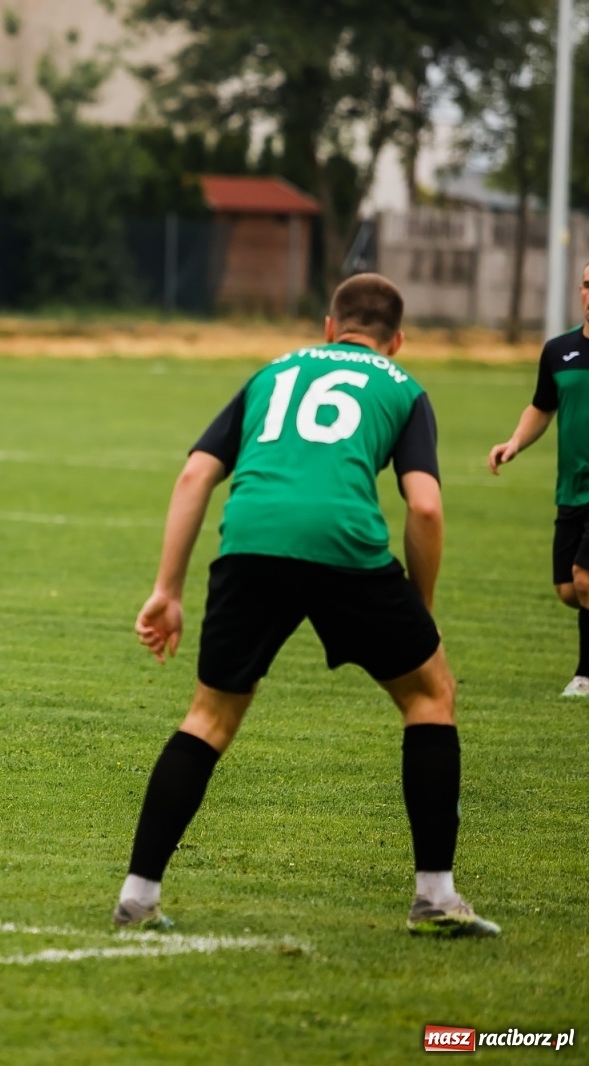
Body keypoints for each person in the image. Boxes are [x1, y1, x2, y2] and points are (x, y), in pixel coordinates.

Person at [116, 273, 499, 938]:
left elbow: (194, 475)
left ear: (329, 326)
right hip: (344, 545)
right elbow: (427, 505)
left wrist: (167, 591)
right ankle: (435, 897)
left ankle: (137, 897)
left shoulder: (271, 373)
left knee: (209, 716)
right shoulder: (403, 388)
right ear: (397, 341)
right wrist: (421, 613)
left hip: (251, 541)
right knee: (429, 693)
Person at [487, 259, 589, 696]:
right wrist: (513, 443)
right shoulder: (558, 350)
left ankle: (585, 675)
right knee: (568, 589)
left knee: (585, 577)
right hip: (573, 487)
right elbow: (542, 407)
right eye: (587, 284)